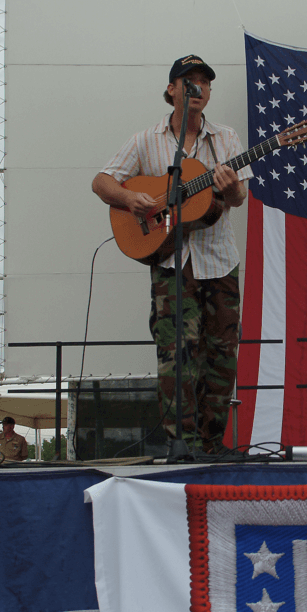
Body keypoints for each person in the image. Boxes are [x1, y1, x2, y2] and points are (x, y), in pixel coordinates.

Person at [91, 55, 251, 453]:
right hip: (170, 262)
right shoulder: (147, 140)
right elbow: (101, 181)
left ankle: (211, 447)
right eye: (189, 81)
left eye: (205, 83)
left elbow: (238, 198)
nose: (198, 88)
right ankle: (183, 444)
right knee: (176, 354)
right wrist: (131, 198)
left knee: (221, 355)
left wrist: (230, 186)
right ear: (171, 90)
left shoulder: (226, 138)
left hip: (219, 260)